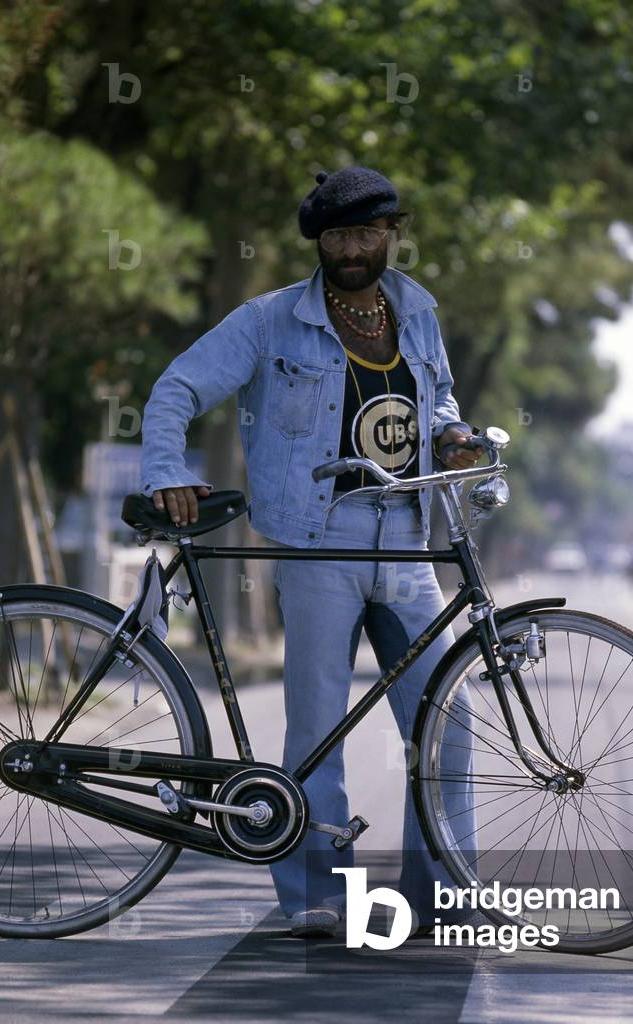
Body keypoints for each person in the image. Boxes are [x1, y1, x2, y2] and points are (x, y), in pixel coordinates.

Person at [141, 165, 480, 939]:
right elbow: (176, 387)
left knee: (446, 719)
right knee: (317, 731)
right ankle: (318, 899)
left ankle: (442, 892)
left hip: (406, 539)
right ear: (317, 242)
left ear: (393, 233)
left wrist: (453, 434)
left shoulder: (418, 312)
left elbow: (439, 400)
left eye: (365, 233)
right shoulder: (267, 321)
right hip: (314, 543)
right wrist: (167, 471)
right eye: (335, 236)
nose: (351, 249)